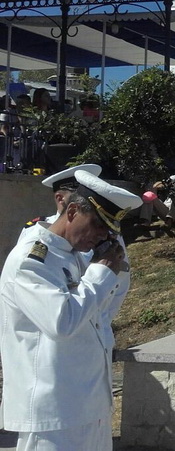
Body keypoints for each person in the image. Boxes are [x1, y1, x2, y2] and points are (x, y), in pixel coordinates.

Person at [0, 171, 142, 451]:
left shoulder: (75, 255)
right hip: (53, 413)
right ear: (73, 210)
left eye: (109, 231)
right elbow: (62, 322)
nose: (102, 237)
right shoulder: (32, 260)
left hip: (88, 405)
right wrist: (99, 273)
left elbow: (99, 314)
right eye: (98, 226)